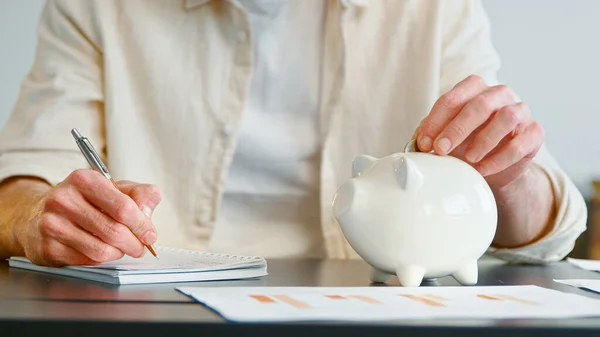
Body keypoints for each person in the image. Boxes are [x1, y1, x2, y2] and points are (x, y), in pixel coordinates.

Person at [0, 0, 587, 267]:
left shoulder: (434, 9)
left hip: (378, 304)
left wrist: (506, 181)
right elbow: (17, 188)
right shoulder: (92, 7)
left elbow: (547, 236)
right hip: (154, 301)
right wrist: (36, 217)